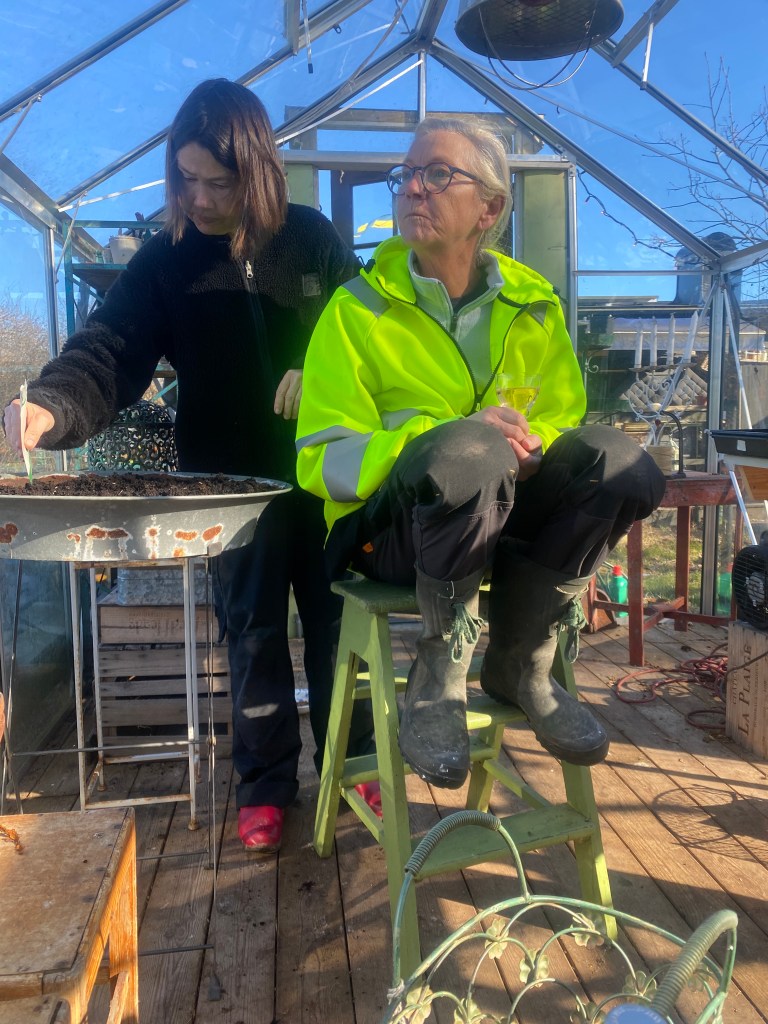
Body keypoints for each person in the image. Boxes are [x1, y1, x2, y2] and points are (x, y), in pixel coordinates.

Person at [2, 78, 378, 852]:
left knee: (340, 624)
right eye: (186, 179)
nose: (200, 199)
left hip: (328, 479)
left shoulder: (311, 240)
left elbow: (372, 337)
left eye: (218, 182)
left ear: (259, 171)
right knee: (252, 634)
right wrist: (51, 405)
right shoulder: (166, 261)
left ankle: (358, 761)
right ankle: (264, 786)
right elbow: (108, 352)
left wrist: (324, 371)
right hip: (231, 489)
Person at [296, 117, 666, 789]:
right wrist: (448, 437)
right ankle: (440, 672)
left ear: (490, 208)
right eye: (406, 175)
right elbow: (323, 455)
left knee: (623, 464)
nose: (413, 188)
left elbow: (563, 414)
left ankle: (523, 660)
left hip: (504, 517)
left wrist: (534, 442)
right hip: (394, 533)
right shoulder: (356, 311)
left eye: (438, 174)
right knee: (469, 450)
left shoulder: (533, 304)